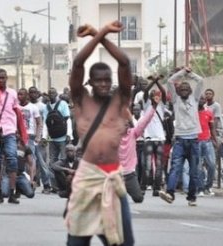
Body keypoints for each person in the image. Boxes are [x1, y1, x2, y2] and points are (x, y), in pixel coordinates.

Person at [65, 21, 134, 246]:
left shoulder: (120, 100)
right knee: (76, 243)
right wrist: (100, 33)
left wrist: (99, 34)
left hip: (112, 178)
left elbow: (124, 62)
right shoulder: (81, 100)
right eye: (99, 80)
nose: (104, 84)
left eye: (107, 80)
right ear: (91, 82)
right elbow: (78, 63)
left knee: (123, 242)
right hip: (87, 177)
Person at [159, 66, 203, 206]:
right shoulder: (176, 101)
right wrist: (183, 72)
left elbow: (201, 81)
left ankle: (192, 197)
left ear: (190, 91)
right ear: (178, 91)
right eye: (182, 89)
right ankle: (170, 193)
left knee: (194, 171)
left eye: (186, 89)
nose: (184, 90)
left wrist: (191, 74)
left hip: (194, 140)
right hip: (180, 140)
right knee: (175, 167)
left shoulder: (195, 99)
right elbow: (170, 81)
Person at [0, 69, 21, 205]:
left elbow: (17, 112)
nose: (1, 80)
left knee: (12, 159)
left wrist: (19, 131)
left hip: (9, 131)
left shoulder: (12, 94)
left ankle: (12, 193)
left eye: (3, 78)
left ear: (6, 78)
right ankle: (0, 194)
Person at [119, 99, 156, 203]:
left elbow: (145, 122)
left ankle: (126, 189)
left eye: (127, 123)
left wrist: (154, 107)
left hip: (129, 174)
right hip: (115, 175)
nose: (124, 125)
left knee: (138, 199)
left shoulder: (133, 133)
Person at [196, 95, 217, 197]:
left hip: (207, 141)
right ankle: (200, 188)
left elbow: (212, 127)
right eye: (200, 98)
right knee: (198, 166)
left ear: (205, 101)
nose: (201, 100)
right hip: (196, 142)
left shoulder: (209, 112)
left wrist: (215, 140)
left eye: (202, 98)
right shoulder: (193, 113)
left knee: (212, 164)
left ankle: (208, 186)